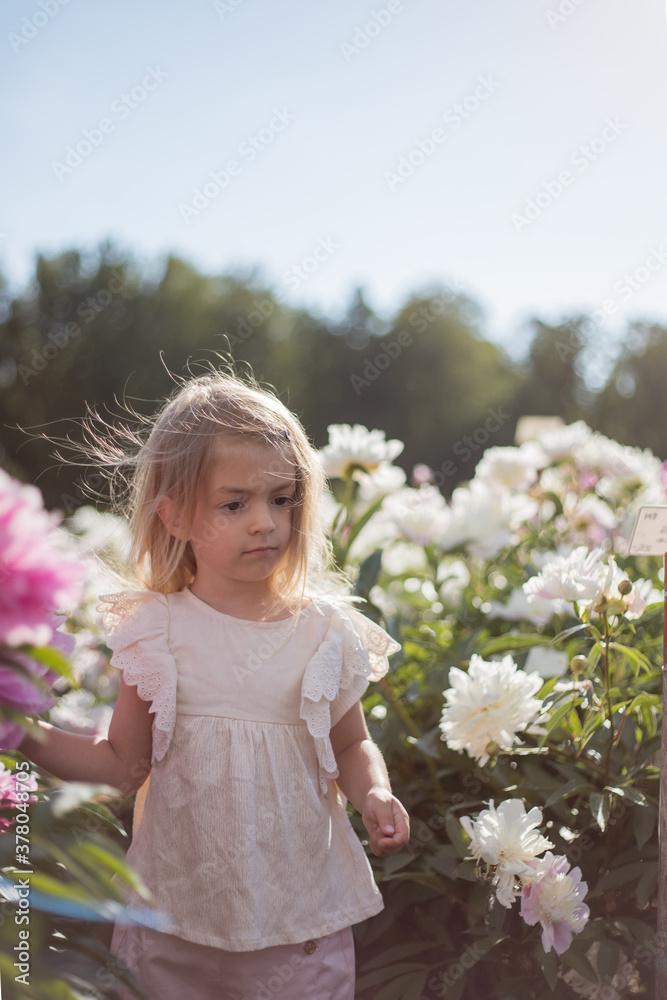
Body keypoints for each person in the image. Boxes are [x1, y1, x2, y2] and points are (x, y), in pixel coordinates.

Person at [18, 366, 410, 1000]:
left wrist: (375, 794)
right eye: (235, 504)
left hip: (297, 927)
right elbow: (122, 765)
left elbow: (349, 745)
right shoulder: (158, 635)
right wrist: (21, 732)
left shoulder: (324, 634)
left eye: (281, 499)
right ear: (173, 516)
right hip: (175, 931)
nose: (265, 523)